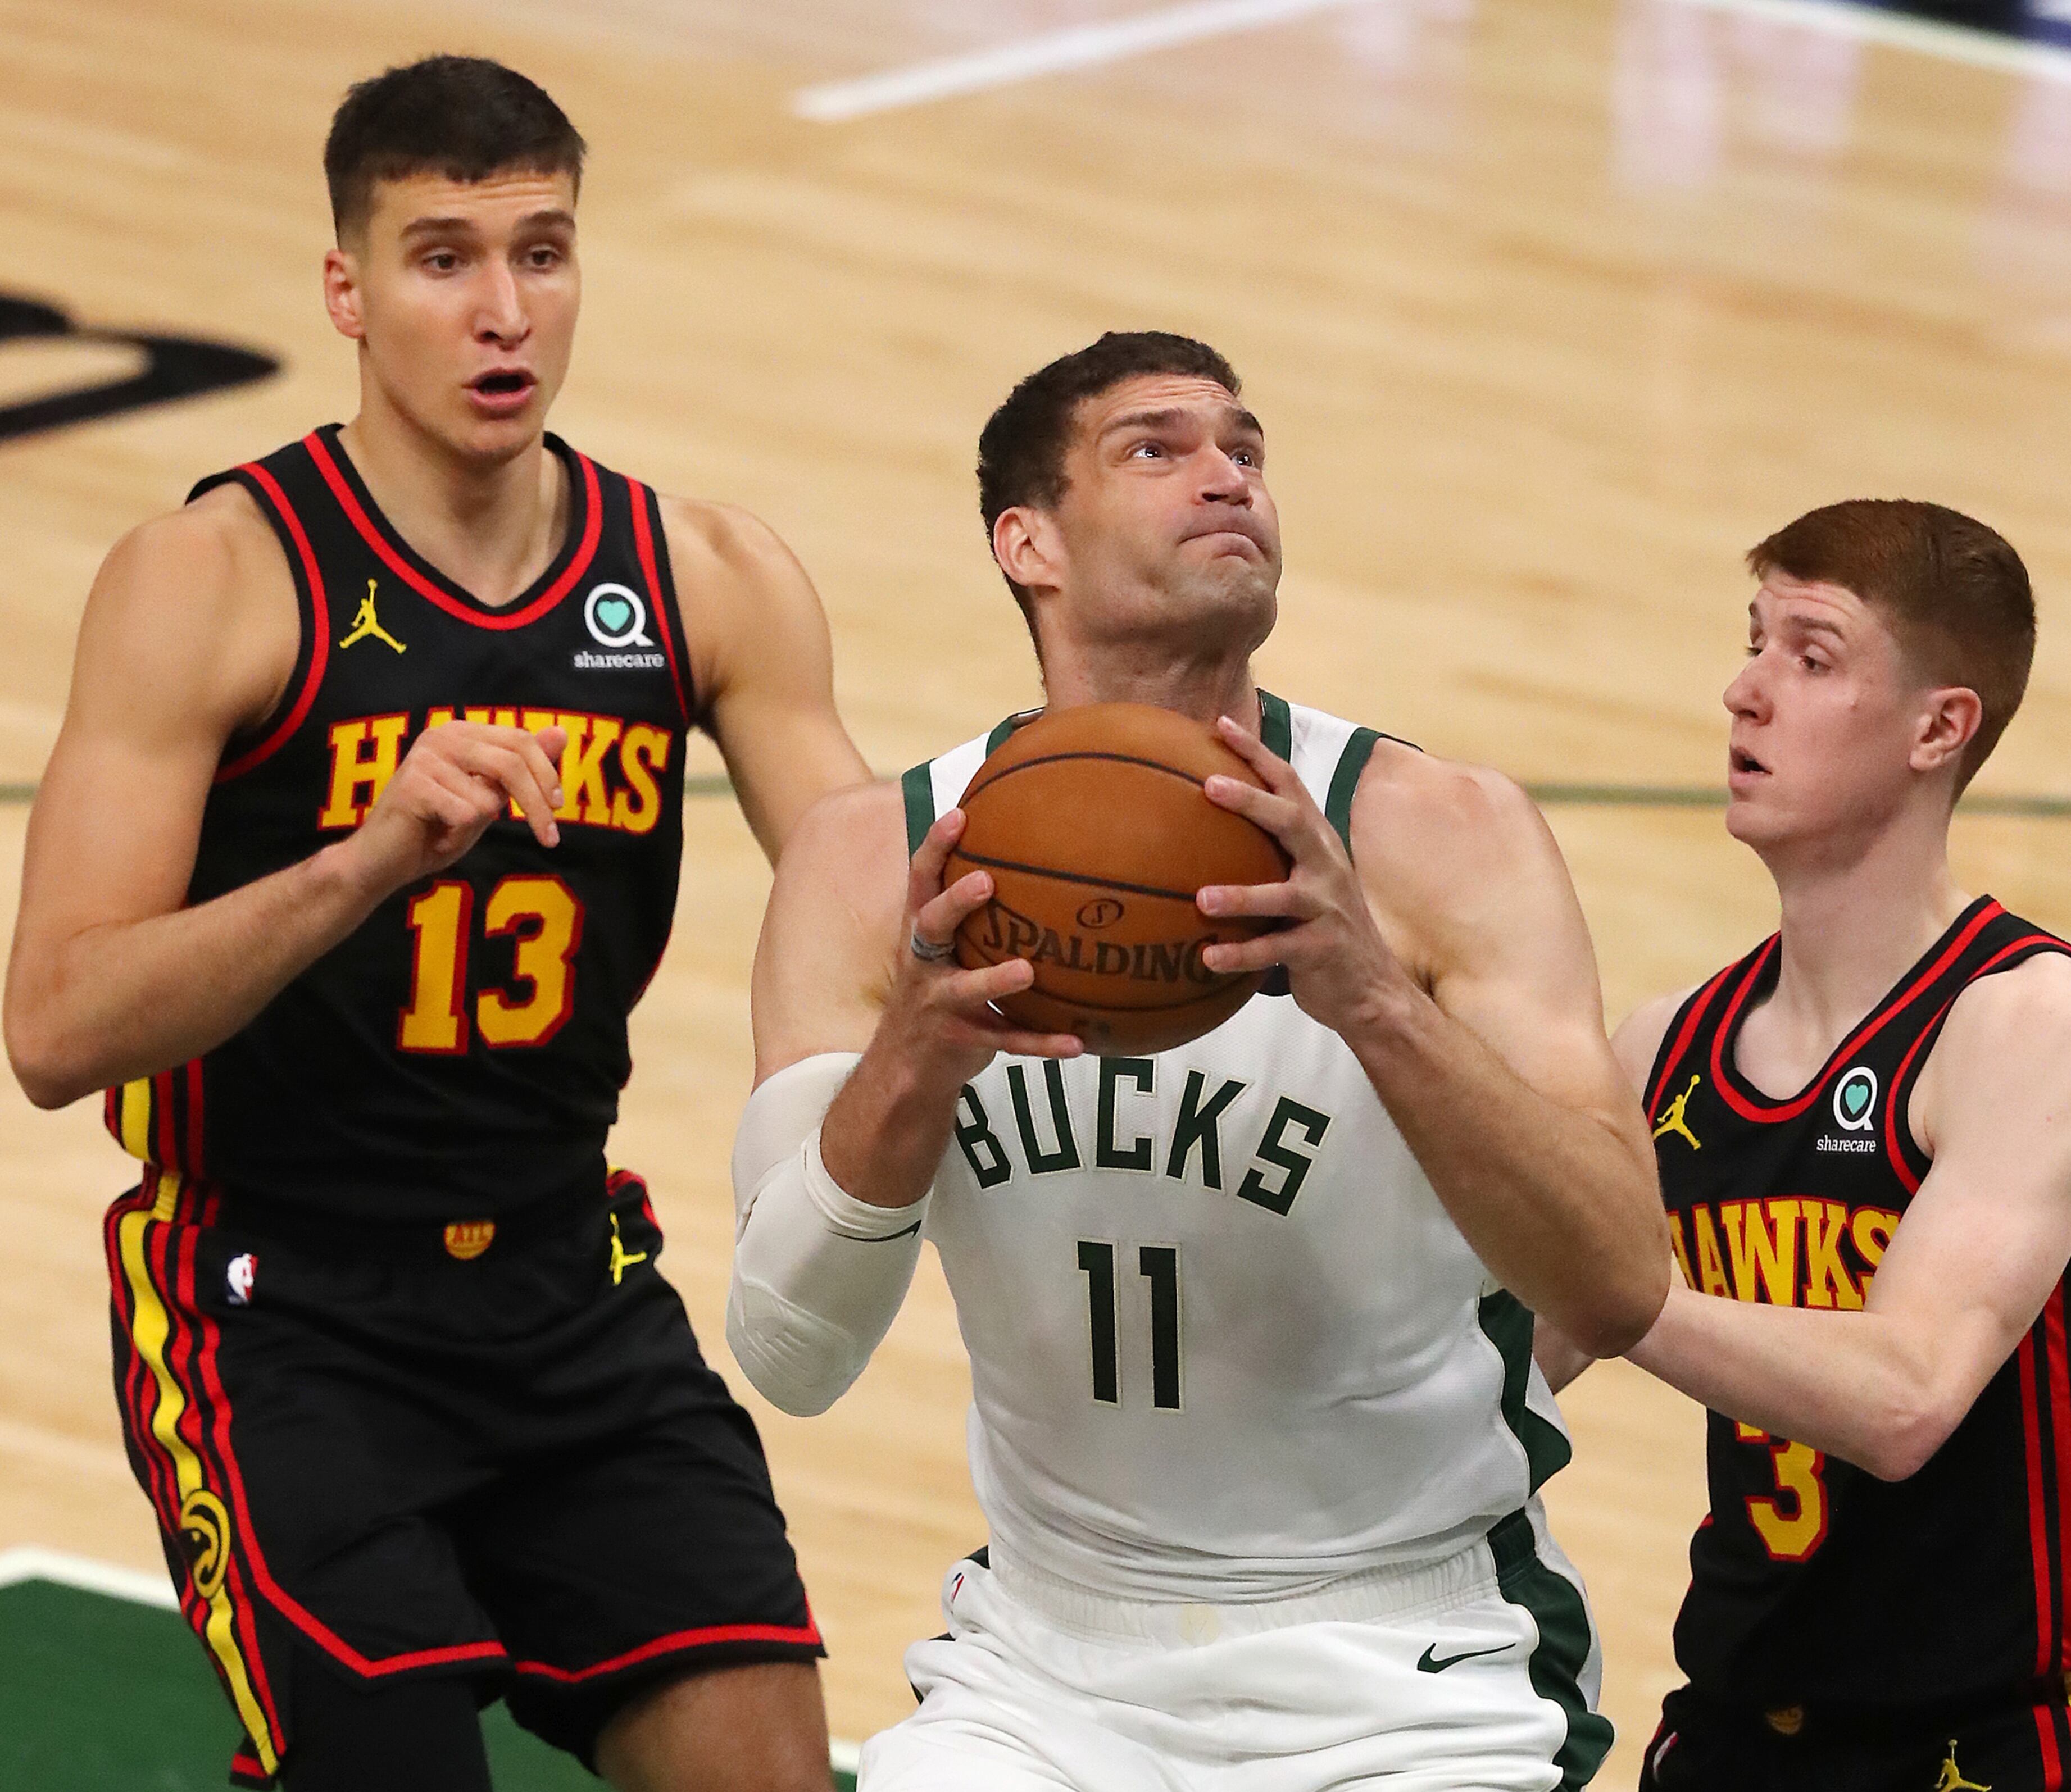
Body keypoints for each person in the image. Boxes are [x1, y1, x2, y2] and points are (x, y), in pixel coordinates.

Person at [3, 56, 866, 1792]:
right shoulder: (218, 576)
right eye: (443, 257)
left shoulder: (705, 574)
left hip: (571, 1285)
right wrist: (364, 858)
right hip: (279, 1307)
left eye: (541, 255)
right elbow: (58, 1027)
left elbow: (869, 884)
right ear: (347, 289)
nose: (502, 313)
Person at [726, 330, 1669, 1791]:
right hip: (1044, 1659)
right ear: (1023, 539)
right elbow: (790, 1349)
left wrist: (1375, 1002)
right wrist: (914, 1054)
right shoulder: (872, 861)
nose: (1227, 473)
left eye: (1246, 446)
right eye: (1155, 447)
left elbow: (1619, 1276)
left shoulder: (1436, 833)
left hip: (1405, 1663)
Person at [1538, 501, 2071, 1790]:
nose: (1744, 691)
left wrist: (1620, 1290)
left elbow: (1904, 1396)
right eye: (1753, 640)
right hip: (1730, 1733)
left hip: (1998, 1748)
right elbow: (1516, 1354)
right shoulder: (1674, 1042)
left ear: (1941, 727)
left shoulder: (2034, 1021)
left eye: (1810, 656)